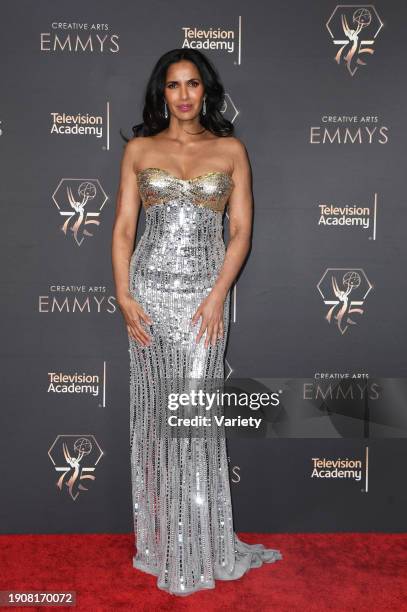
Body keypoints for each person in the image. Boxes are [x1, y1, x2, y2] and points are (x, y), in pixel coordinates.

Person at [111, 48, 282, 596]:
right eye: (172, 85)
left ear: (204, 90)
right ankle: (165, 543)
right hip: (149, 296)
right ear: (161, 93)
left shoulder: (231, 149)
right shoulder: (140, 149)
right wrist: (123, 295)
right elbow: (122, 228)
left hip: (205, 300)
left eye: (191, 84)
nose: (183, 95)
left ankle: (202, 544)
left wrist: (217, 296)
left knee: (194, 419)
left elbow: (241, 233)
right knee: (158, 419)